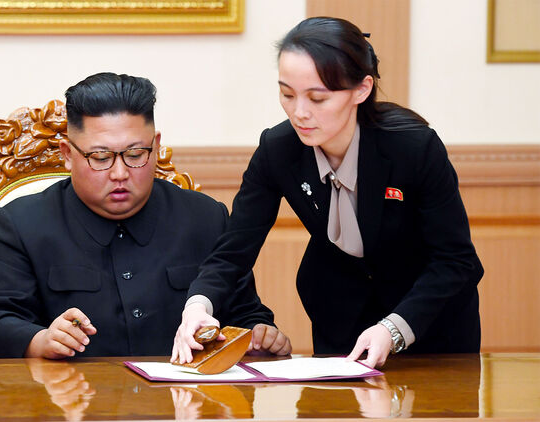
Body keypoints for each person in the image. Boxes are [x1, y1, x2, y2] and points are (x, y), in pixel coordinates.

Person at [171, 17, 483, 368]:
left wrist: (393, 329)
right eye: (287, 94)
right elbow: (232, 252)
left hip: (430, 321)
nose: (299, 113)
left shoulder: (413, 148)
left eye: (317, 98)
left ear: (362, 90)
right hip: (341, 317)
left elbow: (455, 260)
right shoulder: (278, 150)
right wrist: (198, 306)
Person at [0, 72, 291, 359]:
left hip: (182, 398)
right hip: (70, 398)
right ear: (67, 154)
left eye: (136, 154)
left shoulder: (206, 218)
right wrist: (42, 340)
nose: (120, 173)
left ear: (156, 146)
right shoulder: (22, 224)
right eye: (101, 157)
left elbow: (245, 315)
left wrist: (261, 335)